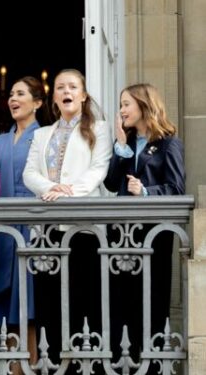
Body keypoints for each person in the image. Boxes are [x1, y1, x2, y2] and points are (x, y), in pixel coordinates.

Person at [22, 69, 112, 368]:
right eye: (60, 87)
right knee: (50, 301)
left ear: (83, 95)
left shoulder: (99, 128)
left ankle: (86, 364)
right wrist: (52, 189)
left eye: (72, 86)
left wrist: (69, 193)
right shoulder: (41, 133)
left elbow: (98, 170)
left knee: (83, 299)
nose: (66, 91)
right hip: (48, 229)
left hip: (83, 228)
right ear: (54, 97)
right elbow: (29, 173)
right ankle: (54, 364)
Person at [104, 83, 185, 366]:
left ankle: (152, 365)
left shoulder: (168, 142)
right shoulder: (124, 142)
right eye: (121, 104)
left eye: (126, 104)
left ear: (143, 105)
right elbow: (112, 183)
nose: (122, 110)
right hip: (121, 233)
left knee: (152, 299)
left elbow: (176, 188)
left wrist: (147, 191)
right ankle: (122, 363)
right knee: (121, 301)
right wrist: (121, 148)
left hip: (153, 235)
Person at [0, 76, 50, 366]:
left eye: (21, 94)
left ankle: (27, 369)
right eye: (11, 94)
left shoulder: (48, 136)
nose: (13, 99)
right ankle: (9, 367)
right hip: (1, 232)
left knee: (27, 306)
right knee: (3, 307)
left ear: (38, 103)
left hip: (33, 230)